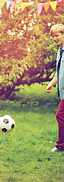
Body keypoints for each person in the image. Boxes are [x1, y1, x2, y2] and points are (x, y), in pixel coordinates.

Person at [46, 24, 64, 153]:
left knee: (60, 115)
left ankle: (60, 145)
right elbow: (59, 73)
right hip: (62, 91)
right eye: (52, 36)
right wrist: (51, 83)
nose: (54, 38)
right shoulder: (60, 51)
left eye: (57, 35)